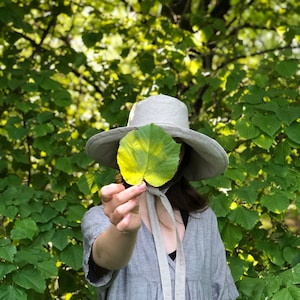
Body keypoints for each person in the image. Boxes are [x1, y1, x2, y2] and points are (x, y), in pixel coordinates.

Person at [81, 94, 239, 300]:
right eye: (145, 144)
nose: (155, 153)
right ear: (127, 150)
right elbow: (105, 257)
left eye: (170, 144)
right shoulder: (102, 217)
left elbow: (221, 291)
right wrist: (125, 231)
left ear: (183, 153)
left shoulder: (203, 218)